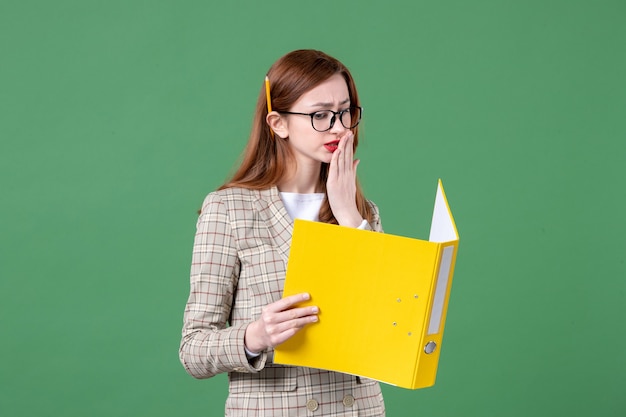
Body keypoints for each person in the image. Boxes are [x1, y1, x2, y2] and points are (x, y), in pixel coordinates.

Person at [179, 49, 385, 416]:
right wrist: (256, 336)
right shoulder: (229, 209)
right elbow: (193, 349)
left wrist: (349, 215)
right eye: (320, 115)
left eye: (346, 112)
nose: (339, 127)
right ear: (278, 124)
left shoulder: (362, 212)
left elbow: (390, 319)